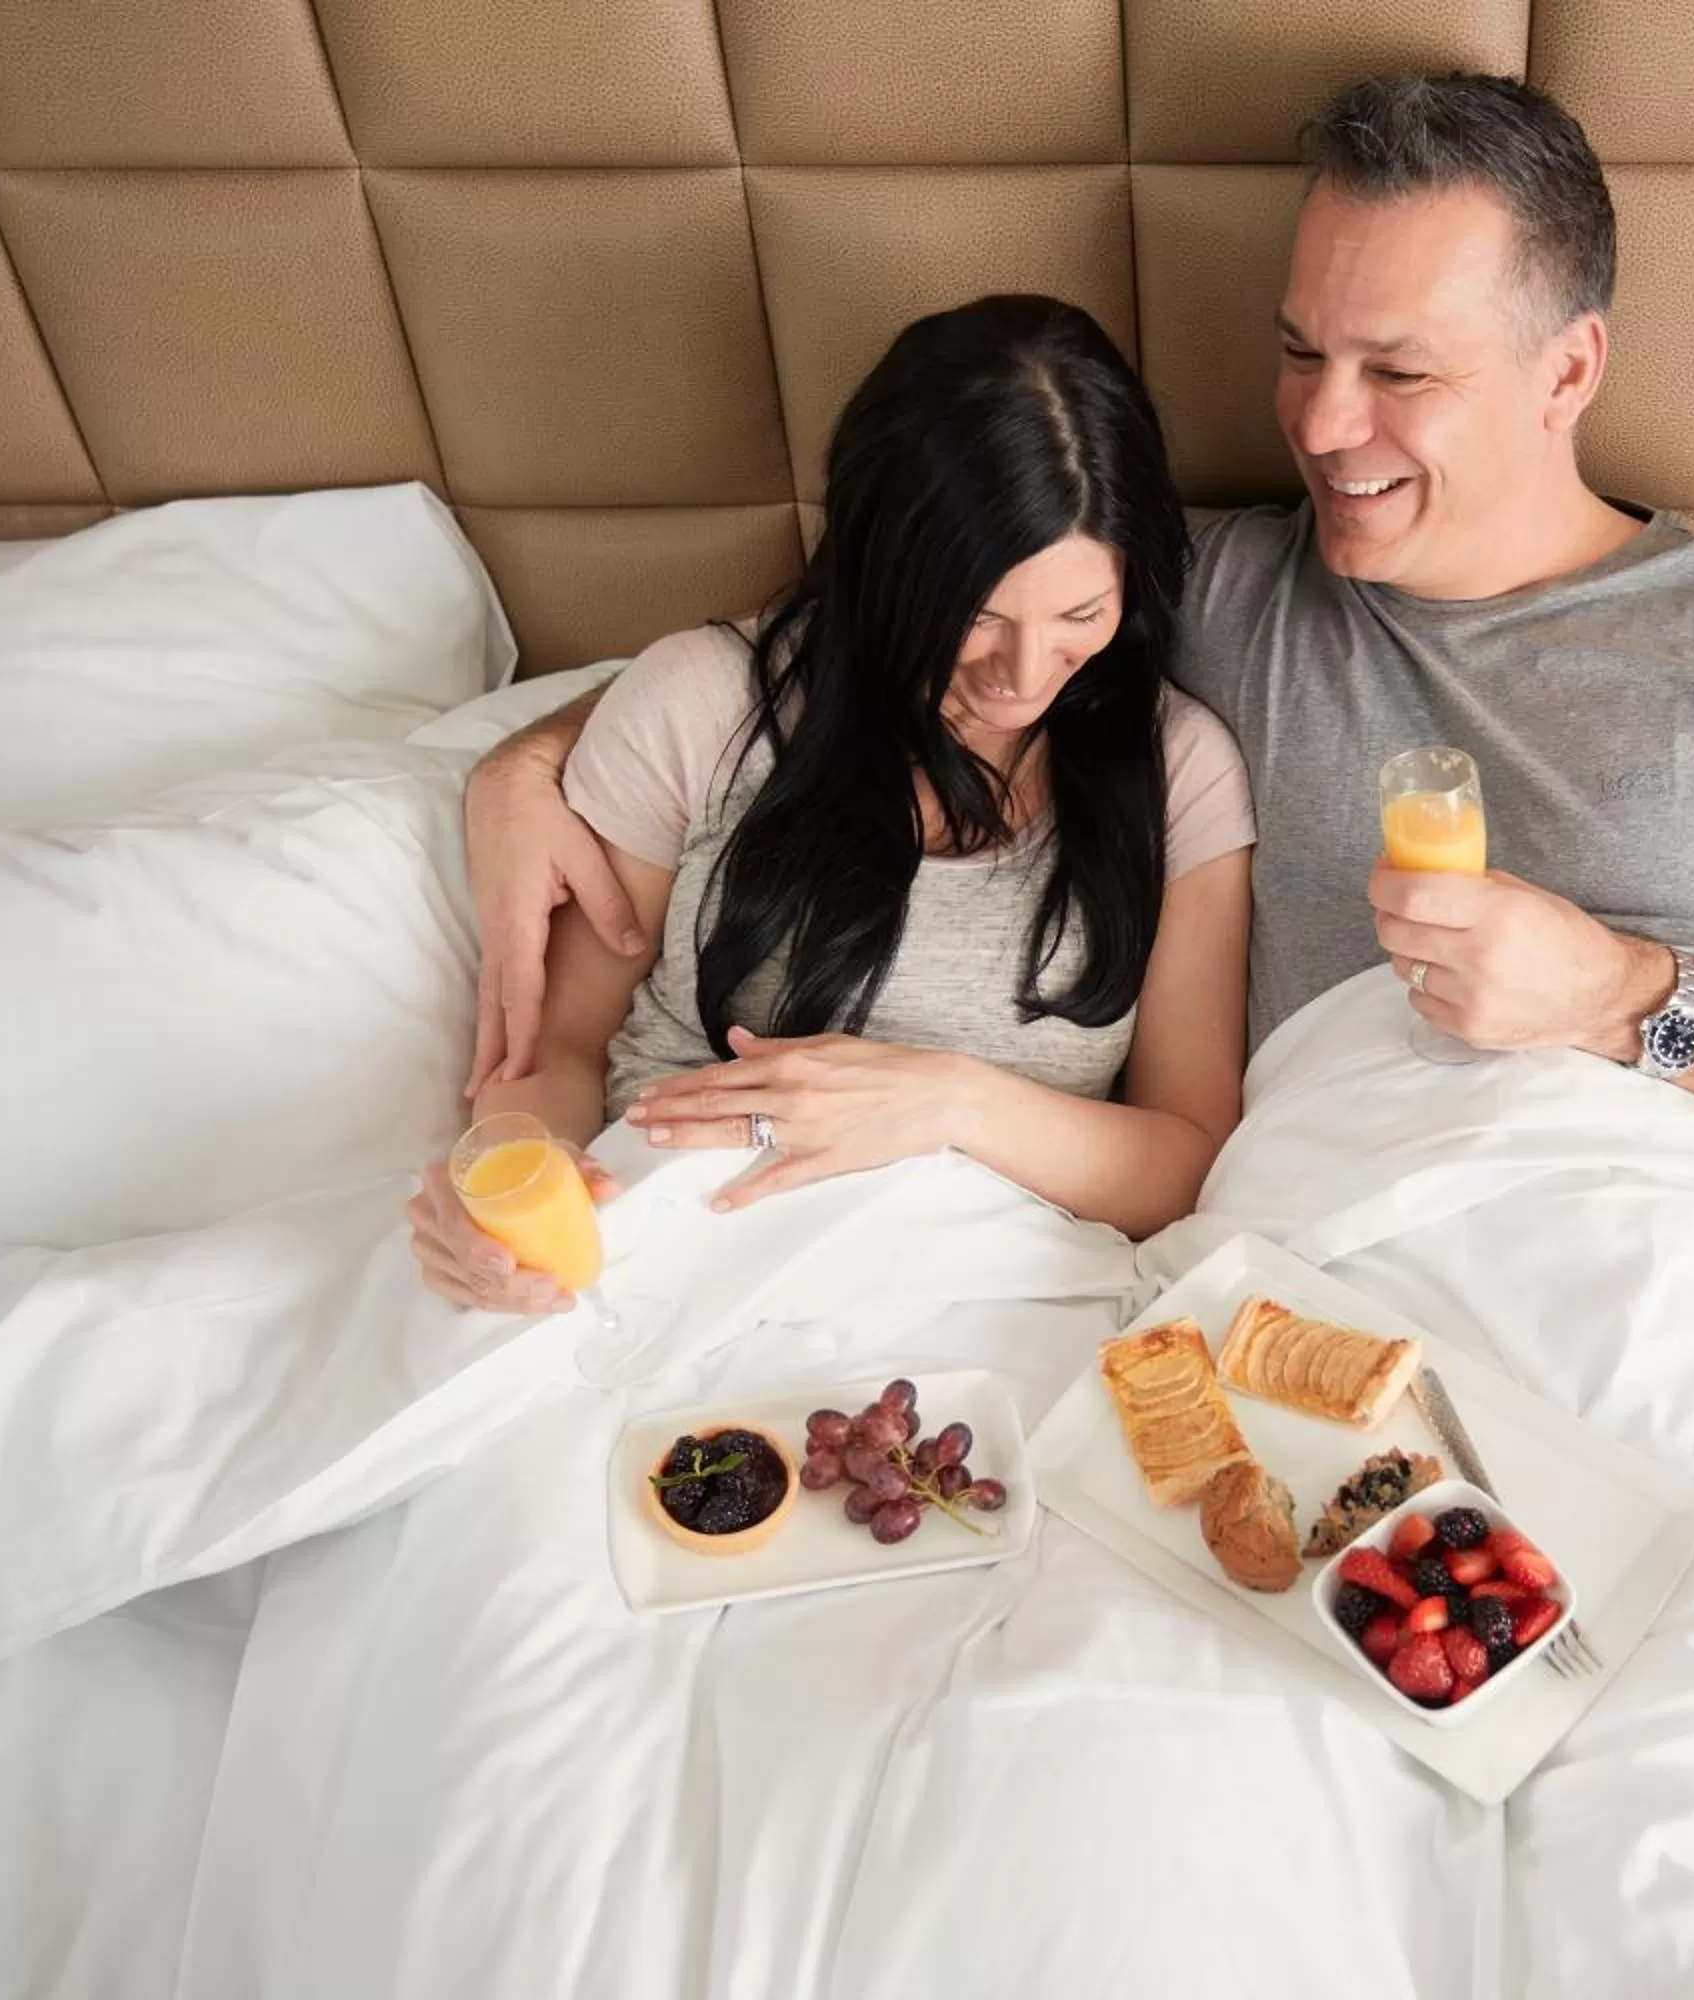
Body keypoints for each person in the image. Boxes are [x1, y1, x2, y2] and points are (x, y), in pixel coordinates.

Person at [465, 73, 1694, 1166]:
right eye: (1302, 353)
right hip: (1356, 1284)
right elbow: (899, 618)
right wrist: (534, 762)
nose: (1323, 426)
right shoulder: (1204, 591)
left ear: (1567, 370)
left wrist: (1621, 997)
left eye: (1399, 371)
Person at [408, 297, 1254, 1311]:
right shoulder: (702, 705)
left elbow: (1187, 1158)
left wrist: (948, 1101)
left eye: (1081, 613)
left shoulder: (1178, 770)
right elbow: (555, 1051)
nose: (1025, 677)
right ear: (882, 569)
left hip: (981, 1300)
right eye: (976, 618)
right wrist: (509, 1201)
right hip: (675, 1253)